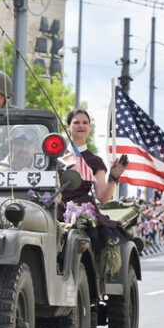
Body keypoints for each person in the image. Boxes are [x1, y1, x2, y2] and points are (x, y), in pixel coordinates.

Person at [59, 109, 130, 262]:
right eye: (76, 122)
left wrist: (114, 177)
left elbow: (103, 197)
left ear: (89, 128)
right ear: (68, 126)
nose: (81, 126)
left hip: (82, 207)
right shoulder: (56, 155)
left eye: (85, 123)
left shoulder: (95, 161)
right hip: (57, 205)